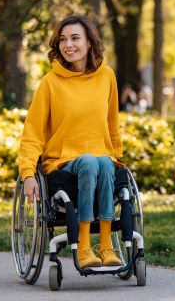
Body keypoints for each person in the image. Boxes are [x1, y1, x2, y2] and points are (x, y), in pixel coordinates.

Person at [18, 15, 123, 268]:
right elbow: (32, 132)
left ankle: (106, 245)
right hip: (63, 162)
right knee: (89, 161)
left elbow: (112, 124)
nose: (69, 44)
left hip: (101, 159)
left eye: (75, 38)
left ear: (89, 43)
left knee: (105, 163)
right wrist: (28, 173)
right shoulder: (49, 83)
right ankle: (84, 246)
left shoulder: (107, 77)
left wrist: (118, 157)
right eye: (63, 39)